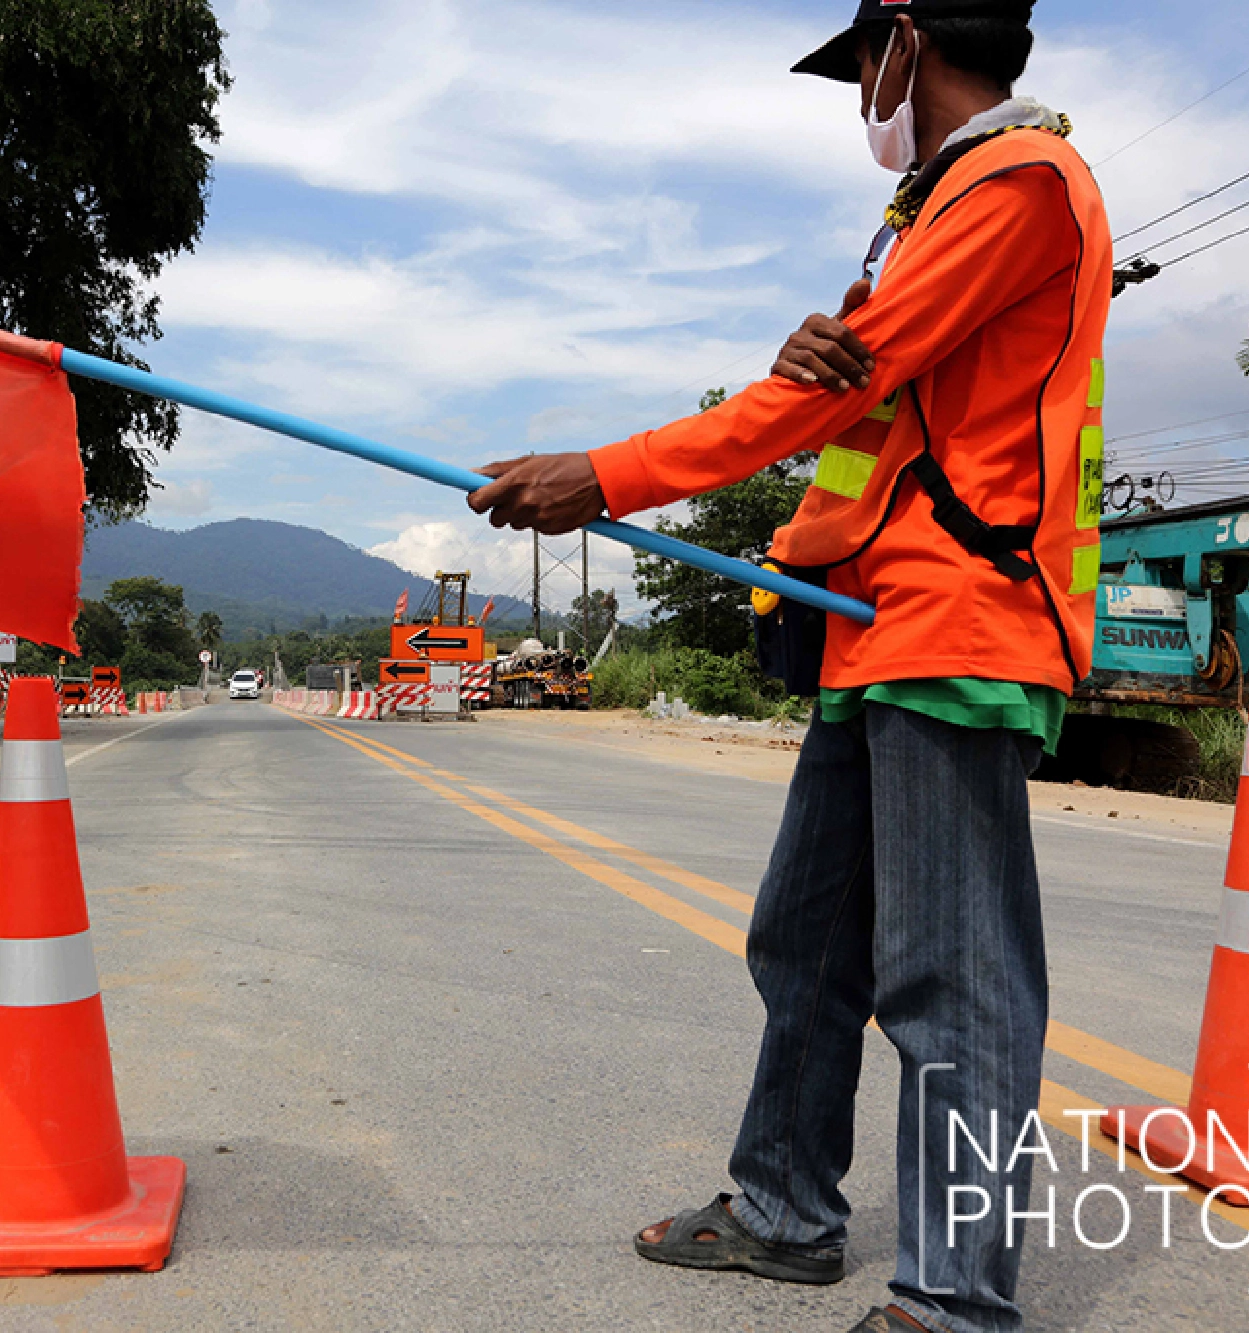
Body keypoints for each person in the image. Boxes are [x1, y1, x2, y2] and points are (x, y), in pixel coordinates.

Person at [468, 3, 1109, 1330]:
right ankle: (783, 1208)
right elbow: (866, 409)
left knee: (952, 977)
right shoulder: (933, 209)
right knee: (809, 943)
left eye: (857, 69)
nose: (854, 100)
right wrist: (805, 487)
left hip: (963, 624)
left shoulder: (1021, 183)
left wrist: (608, 477)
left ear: (905, 41)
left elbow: (836, 397)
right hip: (873, 627)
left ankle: (956, 1298)